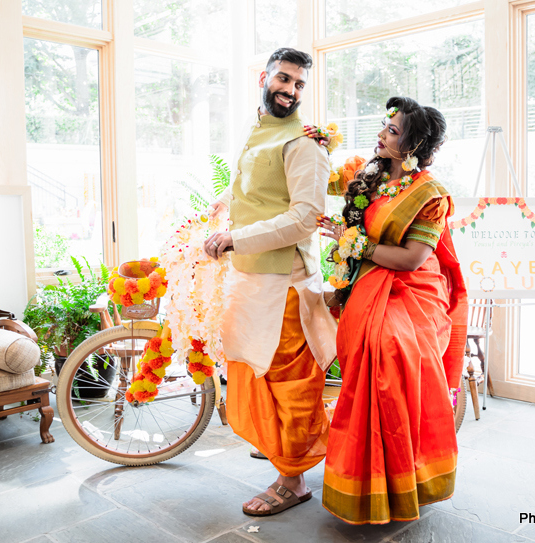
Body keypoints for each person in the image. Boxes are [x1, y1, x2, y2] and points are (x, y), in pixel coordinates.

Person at [315, 97, 468, 525]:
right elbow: (336, 204)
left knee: (389, 351)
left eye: (393, 131)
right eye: (385, 127)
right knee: (369, 361)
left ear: (415, 144)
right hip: (369, 284)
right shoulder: (370, 175)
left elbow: (411, 260)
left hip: (412, 291)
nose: (383, 134)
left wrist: (356, 244)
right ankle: (362, 480)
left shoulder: (430, 195)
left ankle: (403, 478)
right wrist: (341, 232)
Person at [203, 47, 338, 517]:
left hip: (286, 283)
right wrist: (212, 215)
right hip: (250, 278)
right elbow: (248, 189)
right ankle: (281, 448)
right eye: (284, 79)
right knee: (252, 366)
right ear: (264, 77)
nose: (290, 90)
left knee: (291, 382)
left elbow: (304, 218)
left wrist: (235, 238)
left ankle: (292, 479)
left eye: (299, 84)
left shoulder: (304, 143)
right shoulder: (259, 129)